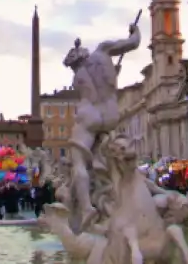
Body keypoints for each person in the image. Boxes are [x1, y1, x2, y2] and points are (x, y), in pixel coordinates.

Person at [64, 22, 141, 230]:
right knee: (105, 156)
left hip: (90, 115)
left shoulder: (77, 78)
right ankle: (116, 197)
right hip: (110, 114)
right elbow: (134, 43)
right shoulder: (104, 50)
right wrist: (135, 29)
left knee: (78, 161)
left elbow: (89, 94)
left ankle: (88, 207)